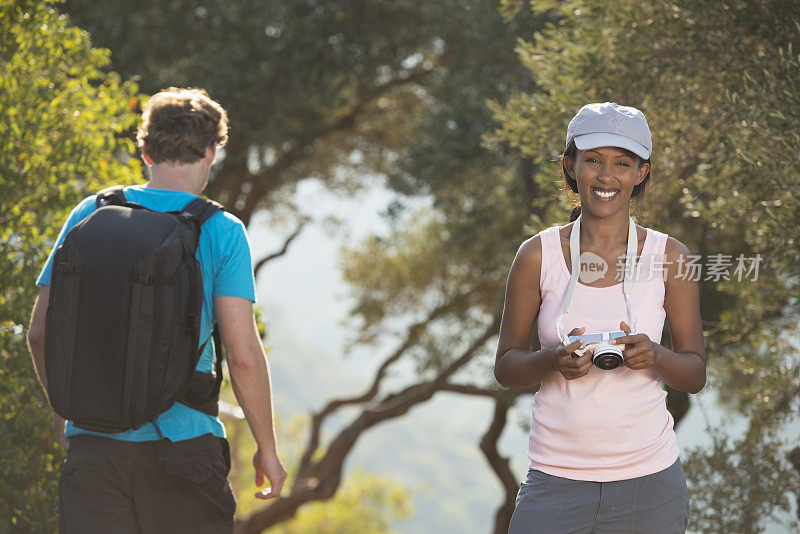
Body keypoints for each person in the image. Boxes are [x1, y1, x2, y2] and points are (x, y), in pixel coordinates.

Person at [26, 87, 287, 533]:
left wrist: (65, 413)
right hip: (183, 450)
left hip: (94, 448)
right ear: (211, 151)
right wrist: (267, 447)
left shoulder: (91, 211)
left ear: (145, 149)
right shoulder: (221, 230)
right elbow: (243, 356)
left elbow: (39, 332)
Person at [494, 102, 706, 533]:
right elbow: (506, 367)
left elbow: (695, 373)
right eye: (592, 160)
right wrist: (551, 360)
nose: (606, 176)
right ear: (570, 165)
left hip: (651, 485)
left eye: (622, 163)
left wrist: (656, 357)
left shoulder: (670, 257)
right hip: (555, 480)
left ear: (641, 172)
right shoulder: (538, 255)